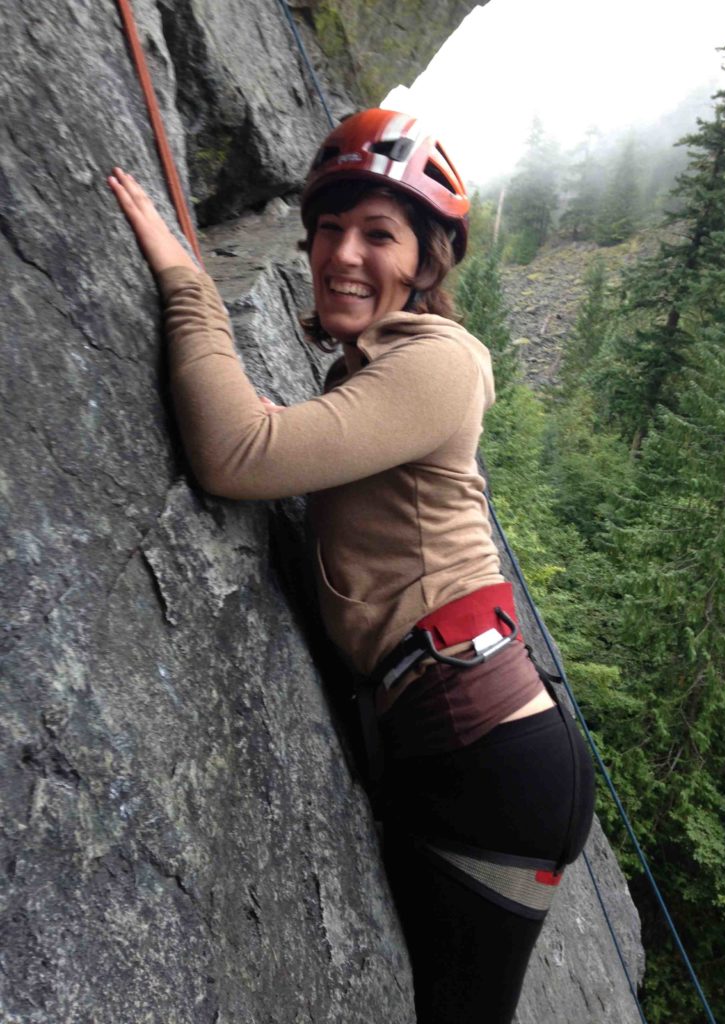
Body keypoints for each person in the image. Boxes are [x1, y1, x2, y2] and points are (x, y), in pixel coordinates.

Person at [108, 108, 596, 1024]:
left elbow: (239, 454)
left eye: (380, 235)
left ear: (425, 264)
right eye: (331, 228)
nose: (343, 253)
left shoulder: (440, 360)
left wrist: (186, 282)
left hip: (486, 757)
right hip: (460, 743)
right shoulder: (379, 367)